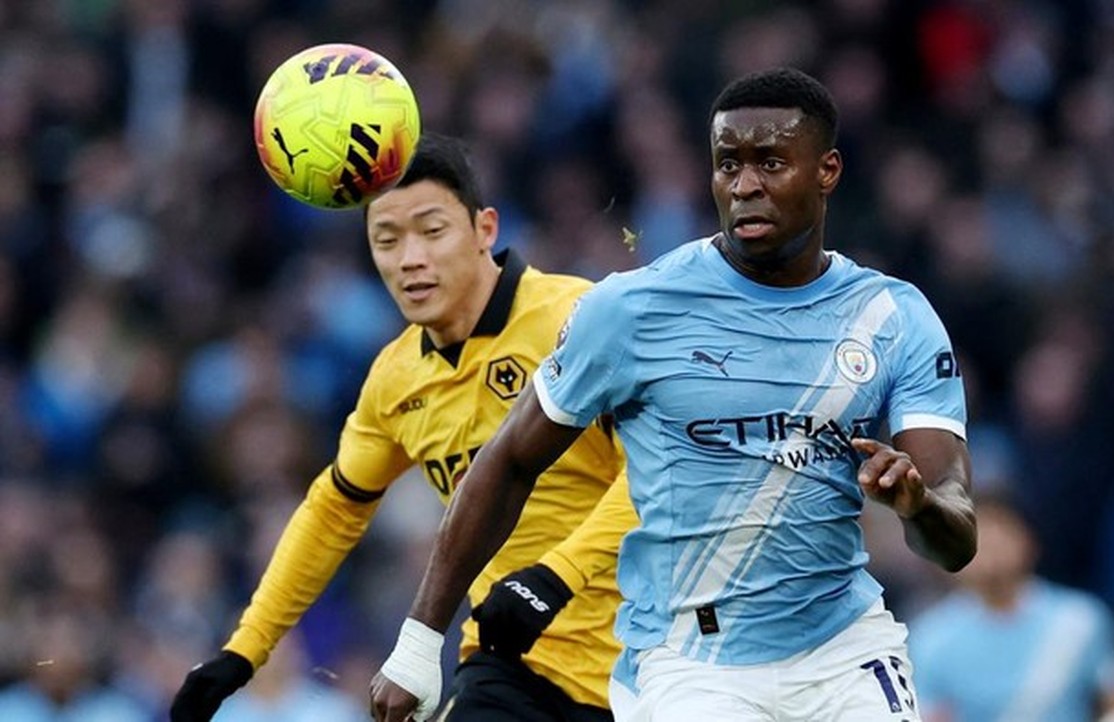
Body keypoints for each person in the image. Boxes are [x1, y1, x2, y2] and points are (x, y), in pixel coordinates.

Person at [371, 67, 978, 722]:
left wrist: (917, 503)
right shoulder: (632, 310)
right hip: (690, 660)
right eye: (728, 165)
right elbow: (510, 459)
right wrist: (417, 642)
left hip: (844, 649)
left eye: (771, 162)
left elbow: (955, 538)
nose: (745, 185)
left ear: (827, 170)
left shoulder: (893, 317)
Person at [170, 132, 635, 722]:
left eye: (431, 231)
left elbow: (660, 473)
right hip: (512, 668)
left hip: (651, 665)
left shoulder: (577, 318)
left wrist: (557, 573)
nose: (409, 258)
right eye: (386, 240)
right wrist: (245, 649)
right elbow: (334, 510)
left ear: (485, 230)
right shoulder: (395, 379)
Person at [908, 493, 1114, 722]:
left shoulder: (1080, 619)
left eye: (1000, 533)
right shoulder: (930, 637)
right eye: (978, 538)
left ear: (1028, 541)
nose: (990, 549)